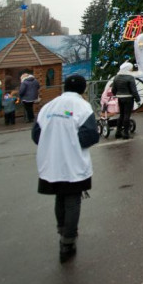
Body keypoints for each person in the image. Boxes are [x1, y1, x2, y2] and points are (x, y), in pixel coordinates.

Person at [32, 74, 100, 263]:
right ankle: (68, 241)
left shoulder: (49, 106)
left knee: (60, 196)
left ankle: (62, 229)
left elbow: (37, 134)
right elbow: (90, 136)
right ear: (83, 89)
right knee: (72, 199)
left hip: (50, 160)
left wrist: (52, 143)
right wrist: (70, 144)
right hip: (73, 161)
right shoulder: (83, 107)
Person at [111, 62, 141, 139]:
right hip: (128, 98)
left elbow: (113, 89)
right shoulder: (130, 77)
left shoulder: (117, 77)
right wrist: (138, 99)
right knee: (127, 115)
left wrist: (116, 94)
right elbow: (134, 90)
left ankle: (118, 132)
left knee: (121, 114)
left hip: (120, 98)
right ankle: (126, 133)